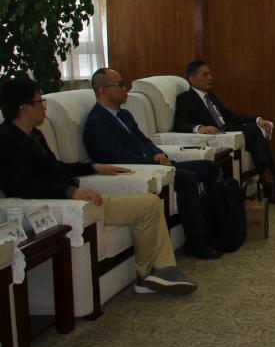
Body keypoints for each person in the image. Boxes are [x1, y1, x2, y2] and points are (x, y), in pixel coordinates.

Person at [0, 76, 197, 295]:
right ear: (25, 108)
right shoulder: (6, 140)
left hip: (74, 197)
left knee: (150, 203)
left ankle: (158, 271)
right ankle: (149, 275)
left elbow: (56, 167)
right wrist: (70, 191)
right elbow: (21, 185)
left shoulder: (34, 134)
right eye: (40, 101)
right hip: (61, 206)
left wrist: (93, 167)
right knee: (148, 205)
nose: (44, 107)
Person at [83, 68, 222, 259]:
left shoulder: (124, 115)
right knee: (186, 177)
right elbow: (117, 157)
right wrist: (152, 163)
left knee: (210, 168)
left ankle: (216, 229)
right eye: (120, 85)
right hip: (136, 171)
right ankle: (195, 240)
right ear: (102, 90)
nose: (125, 89)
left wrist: (158, 154)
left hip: (154, 165)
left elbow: (145, 141)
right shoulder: (96, 122)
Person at [172, 60, 275, 205]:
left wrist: (257, 119)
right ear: (192, 79)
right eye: (205, 74)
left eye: (210, 74)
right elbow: (179, 124)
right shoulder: (185, 98)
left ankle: (268, 182)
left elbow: (230, 116)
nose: (210, 77)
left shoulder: (211, 96)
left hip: (229, 129)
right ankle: (269, 184)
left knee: (255, 128)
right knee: (253, 132)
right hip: (218, 135)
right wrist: (199, 128)